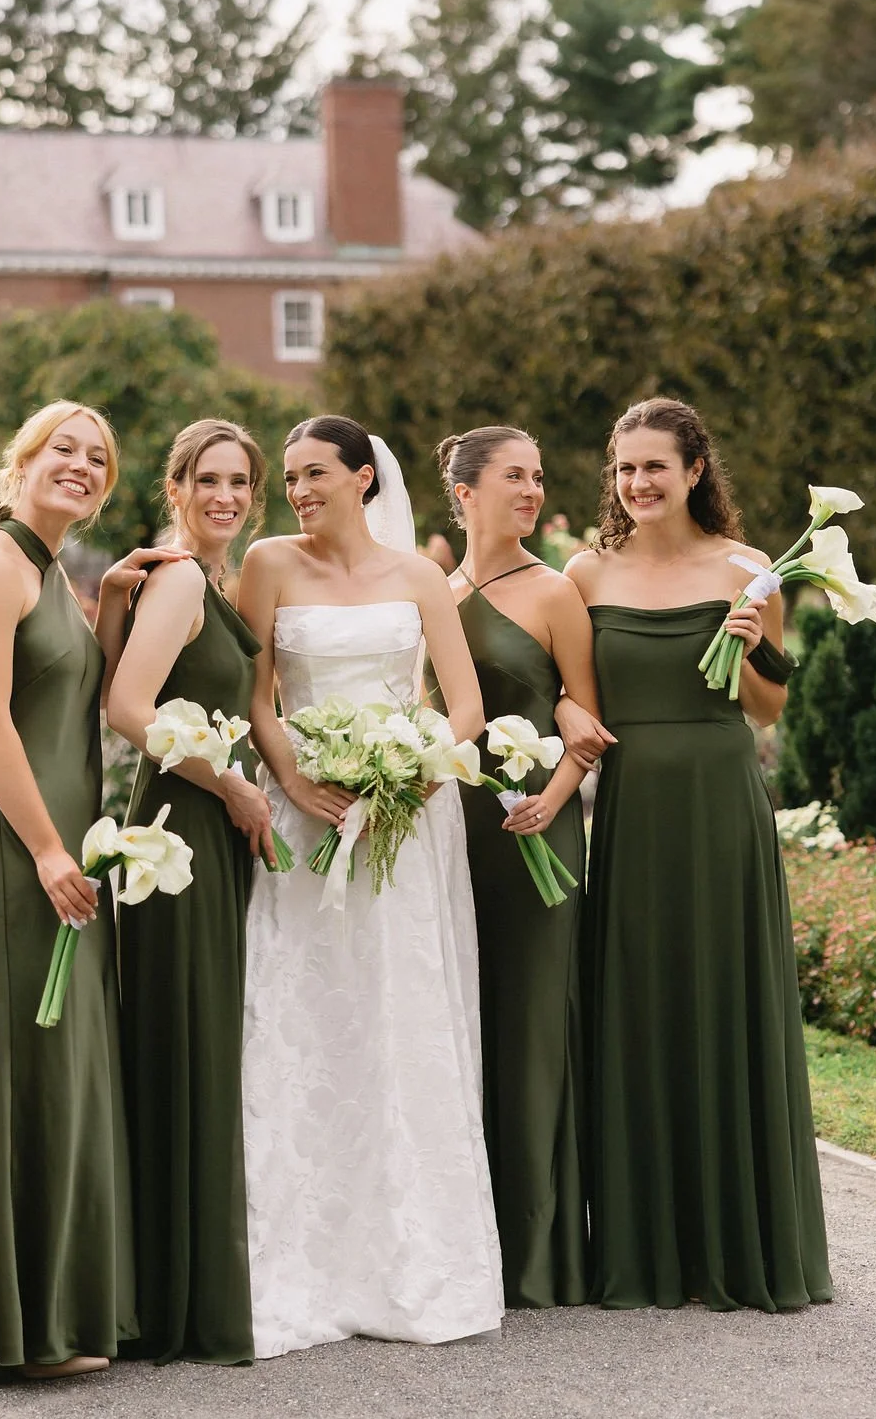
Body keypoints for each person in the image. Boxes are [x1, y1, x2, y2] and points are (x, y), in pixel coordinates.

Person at [0, 401, 189, 1376]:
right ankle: (12, 1332)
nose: (79, 465)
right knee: (23, 1073)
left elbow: (86, 700)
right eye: (62, 450)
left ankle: (56, 1316)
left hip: (65, 852)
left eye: (96, 458)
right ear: (20, 462)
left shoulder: (49, 573)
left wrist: (109, 596)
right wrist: (43, 849)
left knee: (60, 1072)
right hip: (14, 855)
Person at [234, 414, 503, 1359]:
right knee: (303, 1010)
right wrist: (297, 784)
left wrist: (419, 777)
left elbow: (461, 702)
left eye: (314, 474)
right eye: (289, 477)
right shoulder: (266, 564)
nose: (298, 490)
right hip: (303, 814)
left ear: (362, 478)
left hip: (403, 815)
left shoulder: (420, 577)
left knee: (398, 1010)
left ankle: (410, 1257)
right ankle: (299, 1255)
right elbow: (256, 696)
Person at [560, 396, 832, 1312]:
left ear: (694, 472)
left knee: (723, 996)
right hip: (633, 812)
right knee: (642, 1001)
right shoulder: (586, 571)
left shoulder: (750, 569)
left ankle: (739, 1240)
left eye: (655, 467)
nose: (637, 483)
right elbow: (579, 698)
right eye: (624, 468)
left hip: (721, 806)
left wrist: (757, 650)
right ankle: (647, 1247)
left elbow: (766, 712)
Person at [107, 420, 274, 1365]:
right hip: (174, 827)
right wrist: (230, 782)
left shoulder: (218, 581)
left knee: (203, 1035)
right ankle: (171, 1296)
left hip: (211, 821)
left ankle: (190, 1269)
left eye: (239, 482)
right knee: (180, 1035)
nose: (224, 495)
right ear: (175, 488)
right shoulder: (177, 578)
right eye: (207, 480)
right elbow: (127, 708)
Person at [427, 427, 600, 1308]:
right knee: (460, 1024)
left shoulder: (555, 590)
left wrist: (556, 795)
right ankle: (465, 1239)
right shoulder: (433, 592)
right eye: (514, 478)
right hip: (448, 830)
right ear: (465, 492)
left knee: (530, 1028)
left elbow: (590, 721)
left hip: (537, 831)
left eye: (539, 476)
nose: (532, 491)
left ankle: (536, 1255)